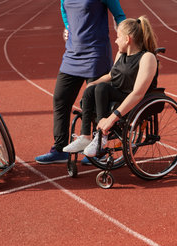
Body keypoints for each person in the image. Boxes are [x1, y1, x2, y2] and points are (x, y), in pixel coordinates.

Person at [35, 0, 126, 164]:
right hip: (72, 53)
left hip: (95, 53)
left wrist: (125, 39)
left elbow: (119, 16)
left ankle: (97, 150)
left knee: (93, 101)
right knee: (60, 98)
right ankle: (60, 148)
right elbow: (65, 11)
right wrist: (68, 27)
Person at [62, 16, 158, 157]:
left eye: (118, 36)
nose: (115, 40)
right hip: (118, 93)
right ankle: (85, 137)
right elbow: (111, 75)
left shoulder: (147, 58)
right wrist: (92, 83)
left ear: (127, 39)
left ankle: (102, 136)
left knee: (102, 88)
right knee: (92, 88)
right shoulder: (121, 54)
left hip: (134, 98)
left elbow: (138, 93)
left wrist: (111, 118)